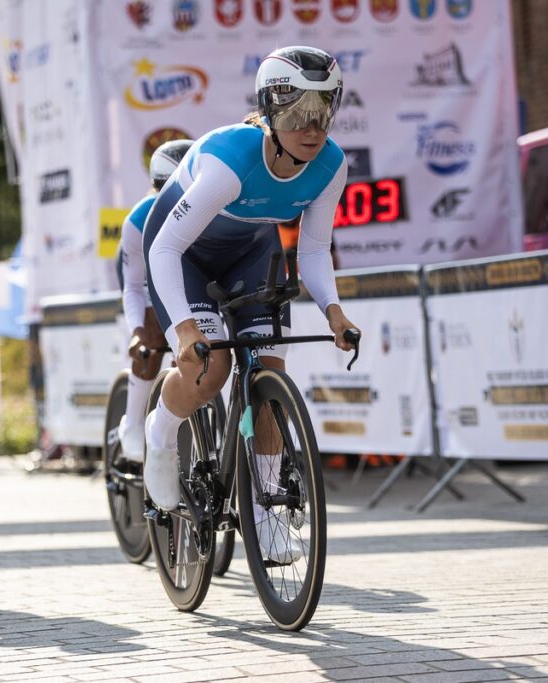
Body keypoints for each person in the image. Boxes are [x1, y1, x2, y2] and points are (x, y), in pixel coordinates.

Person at [142, 47, 359, 563]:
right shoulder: (229, 161)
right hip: (184, 256)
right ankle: (161, 430)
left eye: (322, 113)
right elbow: (165, 248)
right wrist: (185, 330)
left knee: (269, 372)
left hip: (251, 253)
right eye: (298, 115)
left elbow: (313, 249)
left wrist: (333, 311)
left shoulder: (331, 165)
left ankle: (265, 515)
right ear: (269, 110)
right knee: (210, 369)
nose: (312, 129)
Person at [115, 139, 192, 463]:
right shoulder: (138, 220)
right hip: (144, 280)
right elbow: (133, 287)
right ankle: (132, 423)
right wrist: (137, 332)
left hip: (186, 274)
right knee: (152, 333)